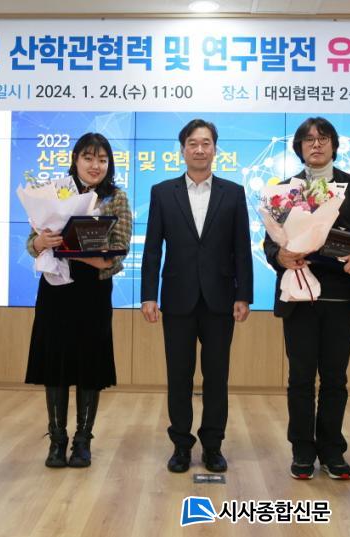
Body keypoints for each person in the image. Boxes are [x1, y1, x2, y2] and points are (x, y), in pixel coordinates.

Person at [263, 117, 350, 480]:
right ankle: (302, 449)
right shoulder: (284, 189)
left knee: (335, 378)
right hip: (299, 291)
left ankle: (332, 450)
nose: (316, 145)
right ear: (299, 147)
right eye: (309, 139)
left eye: (323, 138)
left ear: (334, 145)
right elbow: (270, 241)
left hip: (341, 294)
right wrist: (280, 256)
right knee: (300, 377)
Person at [140, 119, 253, 474]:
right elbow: (152, 248)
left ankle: (213, 446)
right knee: (179, 375)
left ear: (215, 149)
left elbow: (241, 248)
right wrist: (148, 295)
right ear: (183, 150)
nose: (200, 149)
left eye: (206, 143)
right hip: (178, 297)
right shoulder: (162, 192)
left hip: (221, 298)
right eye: (193, 143)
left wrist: (244, 294)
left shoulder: (233, 193)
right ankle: (180, 446)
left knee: (217, 376)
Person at [25, 132, 132, 468]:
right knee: (56, 363)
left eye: (102, 159)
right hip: (56, 290)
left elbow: (118, 254)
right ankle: (57, 441)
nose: (95, 165)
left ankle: (83, 441)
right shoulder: (56, 191)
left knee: (89, 365)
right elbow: (32, 244)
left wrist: (76, 250)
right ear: (75, 159)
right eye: (88, 158)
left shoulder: (116, 197)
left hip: (93, 292)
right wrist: (43, 242)